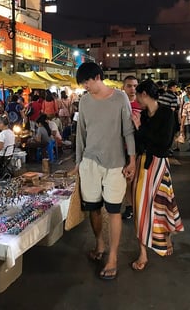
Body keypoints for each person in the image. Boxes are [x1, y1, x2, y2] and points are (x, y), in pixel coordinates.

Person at [74, 62, 136, 280]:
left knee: (114, 210)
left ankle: (113, 258)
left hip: (115, 163)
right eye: (83, 84)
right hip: (89, 162)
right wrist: (78, 162)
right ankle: (99, 242)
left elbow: (128, 132)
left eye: (87, 82)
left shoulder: (120, 98)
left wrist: (132, 161)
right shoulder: (84, 100)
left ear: (98, 77)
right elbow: (80, 133)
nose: (86, 86)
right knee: (93, 208)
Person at [130, 79, 184, 270]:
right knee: (140, 208)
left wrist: (140, 129)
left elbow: (164, 143)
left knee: (162, 204)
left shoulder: (166, 114)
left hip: (159, 165)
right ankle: (143, 252)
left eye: (137, 94)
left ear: (144, 94)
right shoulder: (144, 115)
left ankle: (166, 236)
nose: (135, 98)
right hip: (143, 164)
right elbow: (140, 142)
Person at [121, 75, 142, 220]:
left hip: (140, 148)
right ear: (123, 87)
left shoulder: (142, 105)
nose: (132, 89)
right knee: (127, 179)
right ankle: (130, 206)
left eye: (135, 85)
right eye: (129, 85)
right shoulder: (119, 105)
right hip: (122, 148)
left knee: (139, 179)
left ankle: (138, 206)